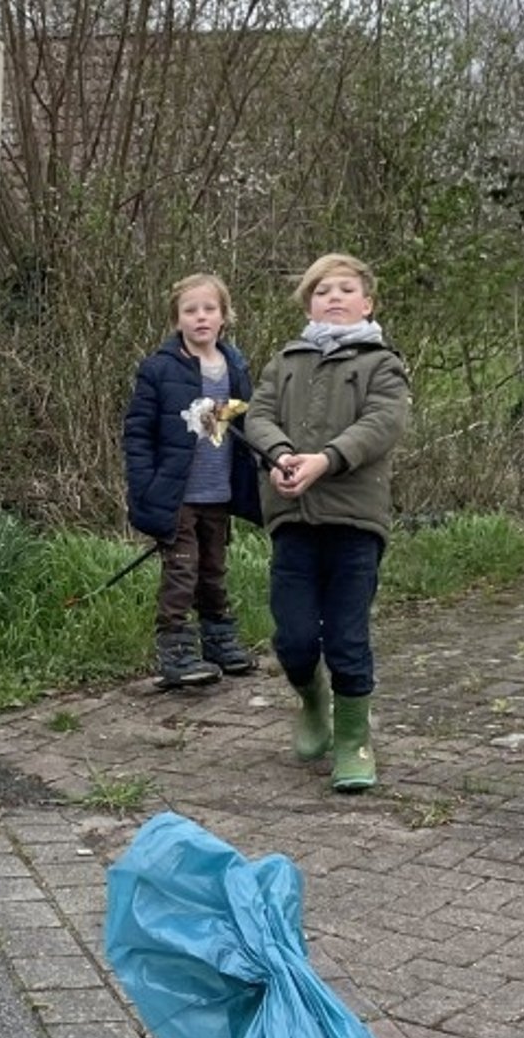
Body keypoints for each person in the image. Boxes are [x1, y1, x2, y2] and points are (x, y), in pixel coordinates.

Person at [240, 253, 411, 793]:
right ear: (308, 304)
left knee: (346, 637)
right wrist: (283, 454)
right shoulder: (285, 361)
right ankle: (312, 700)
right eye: (321, 291)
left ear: (367, 303)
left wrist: (326, 460)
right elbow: (258, 415)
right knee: (292, 637)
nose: (332, 297)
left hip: (355, 521)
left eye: (344, 289)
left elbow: (382, 423)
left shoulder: (382, 364)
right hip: (292, 518)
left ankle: (353, 741)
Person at [123, 272, 263, 690]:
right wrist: (145, 487)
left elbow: (249, 424)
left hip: (219, 490)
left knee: (214, 567)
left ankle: (218, 639)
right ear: (177, 318)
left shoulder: (235, 366)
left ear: (224, 316)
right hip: (177, 493)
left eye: (209, 309)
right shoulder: (159, 369)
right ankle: (176, 650)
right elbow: (138, 433)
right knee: (182, 569)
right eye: (190, 310)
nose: (201, 317)